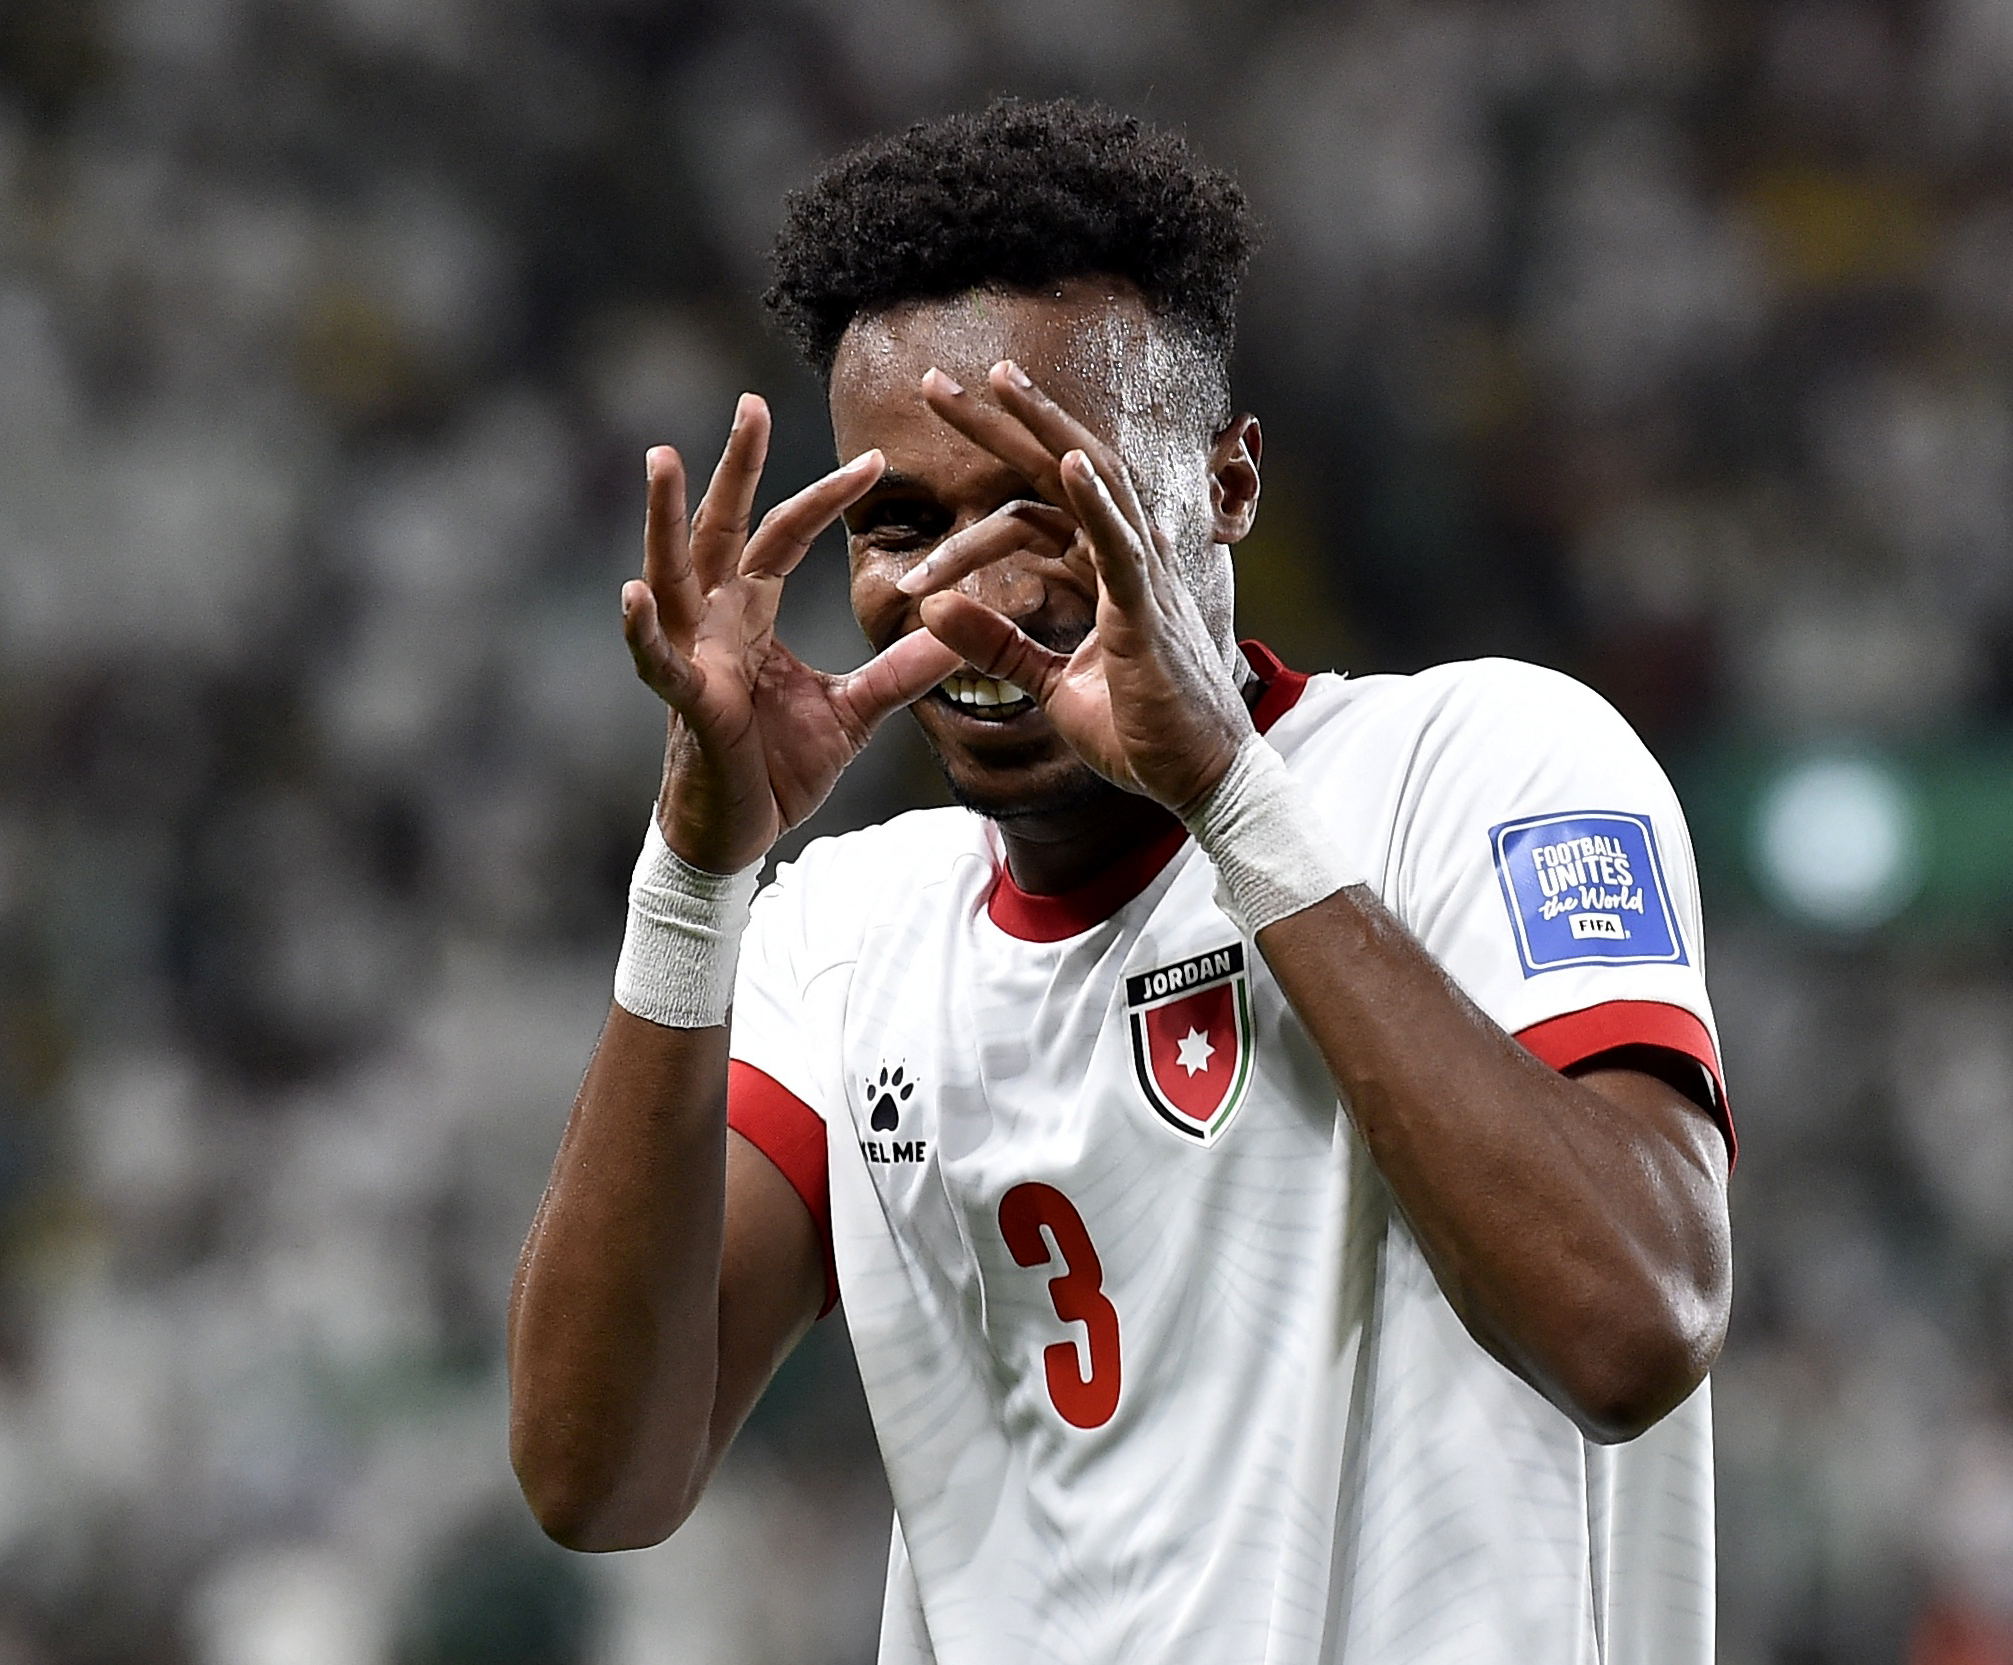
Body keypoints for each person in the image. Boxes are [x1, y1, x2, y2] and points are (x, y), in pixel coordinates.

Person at [508, 98, 1735, 1664]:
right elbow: (593, 1476)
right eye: (901, 521)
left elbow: (1631, 1325)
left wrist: (1223, 789)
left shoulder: (1485, 763)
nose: (969, 580)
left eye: (1049, 498)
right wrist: (694, 873)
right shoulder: (845, 936)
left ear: (1225, 486)